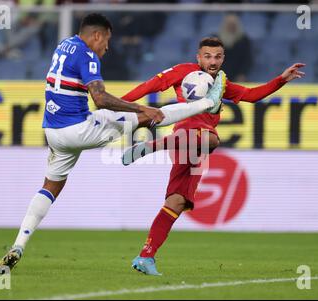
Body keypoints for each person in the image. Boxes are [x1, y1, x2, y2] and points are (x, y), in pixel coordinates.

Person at [0, 13, 226, 273]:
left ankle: (19, 245)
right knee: (150, 115)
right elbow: (100, 99)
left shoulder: (64, 45)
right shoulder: (88, 55)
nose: (107, 47)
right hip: (79, 129)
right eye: (106, 41)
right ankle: (207, 103)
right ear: (96, 35)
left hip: (54, 132)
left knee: (50, 187)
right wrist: (141, 108)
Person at [121, 37, 305, 275]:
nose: (213, 61)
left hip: (195, 151)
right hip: (185, 134)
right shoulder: (183, 71)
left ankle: (146, 257)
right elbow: (148, 86)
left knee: (175, 203)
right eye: (207, 56)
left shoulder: (221, 82)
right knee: (214, 139)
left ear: (223, 59)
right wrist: (118, 104)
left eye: (217, 56)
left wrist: (281, 80)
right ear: (199, 57)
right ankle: (154, 145)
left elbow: (251, 95)